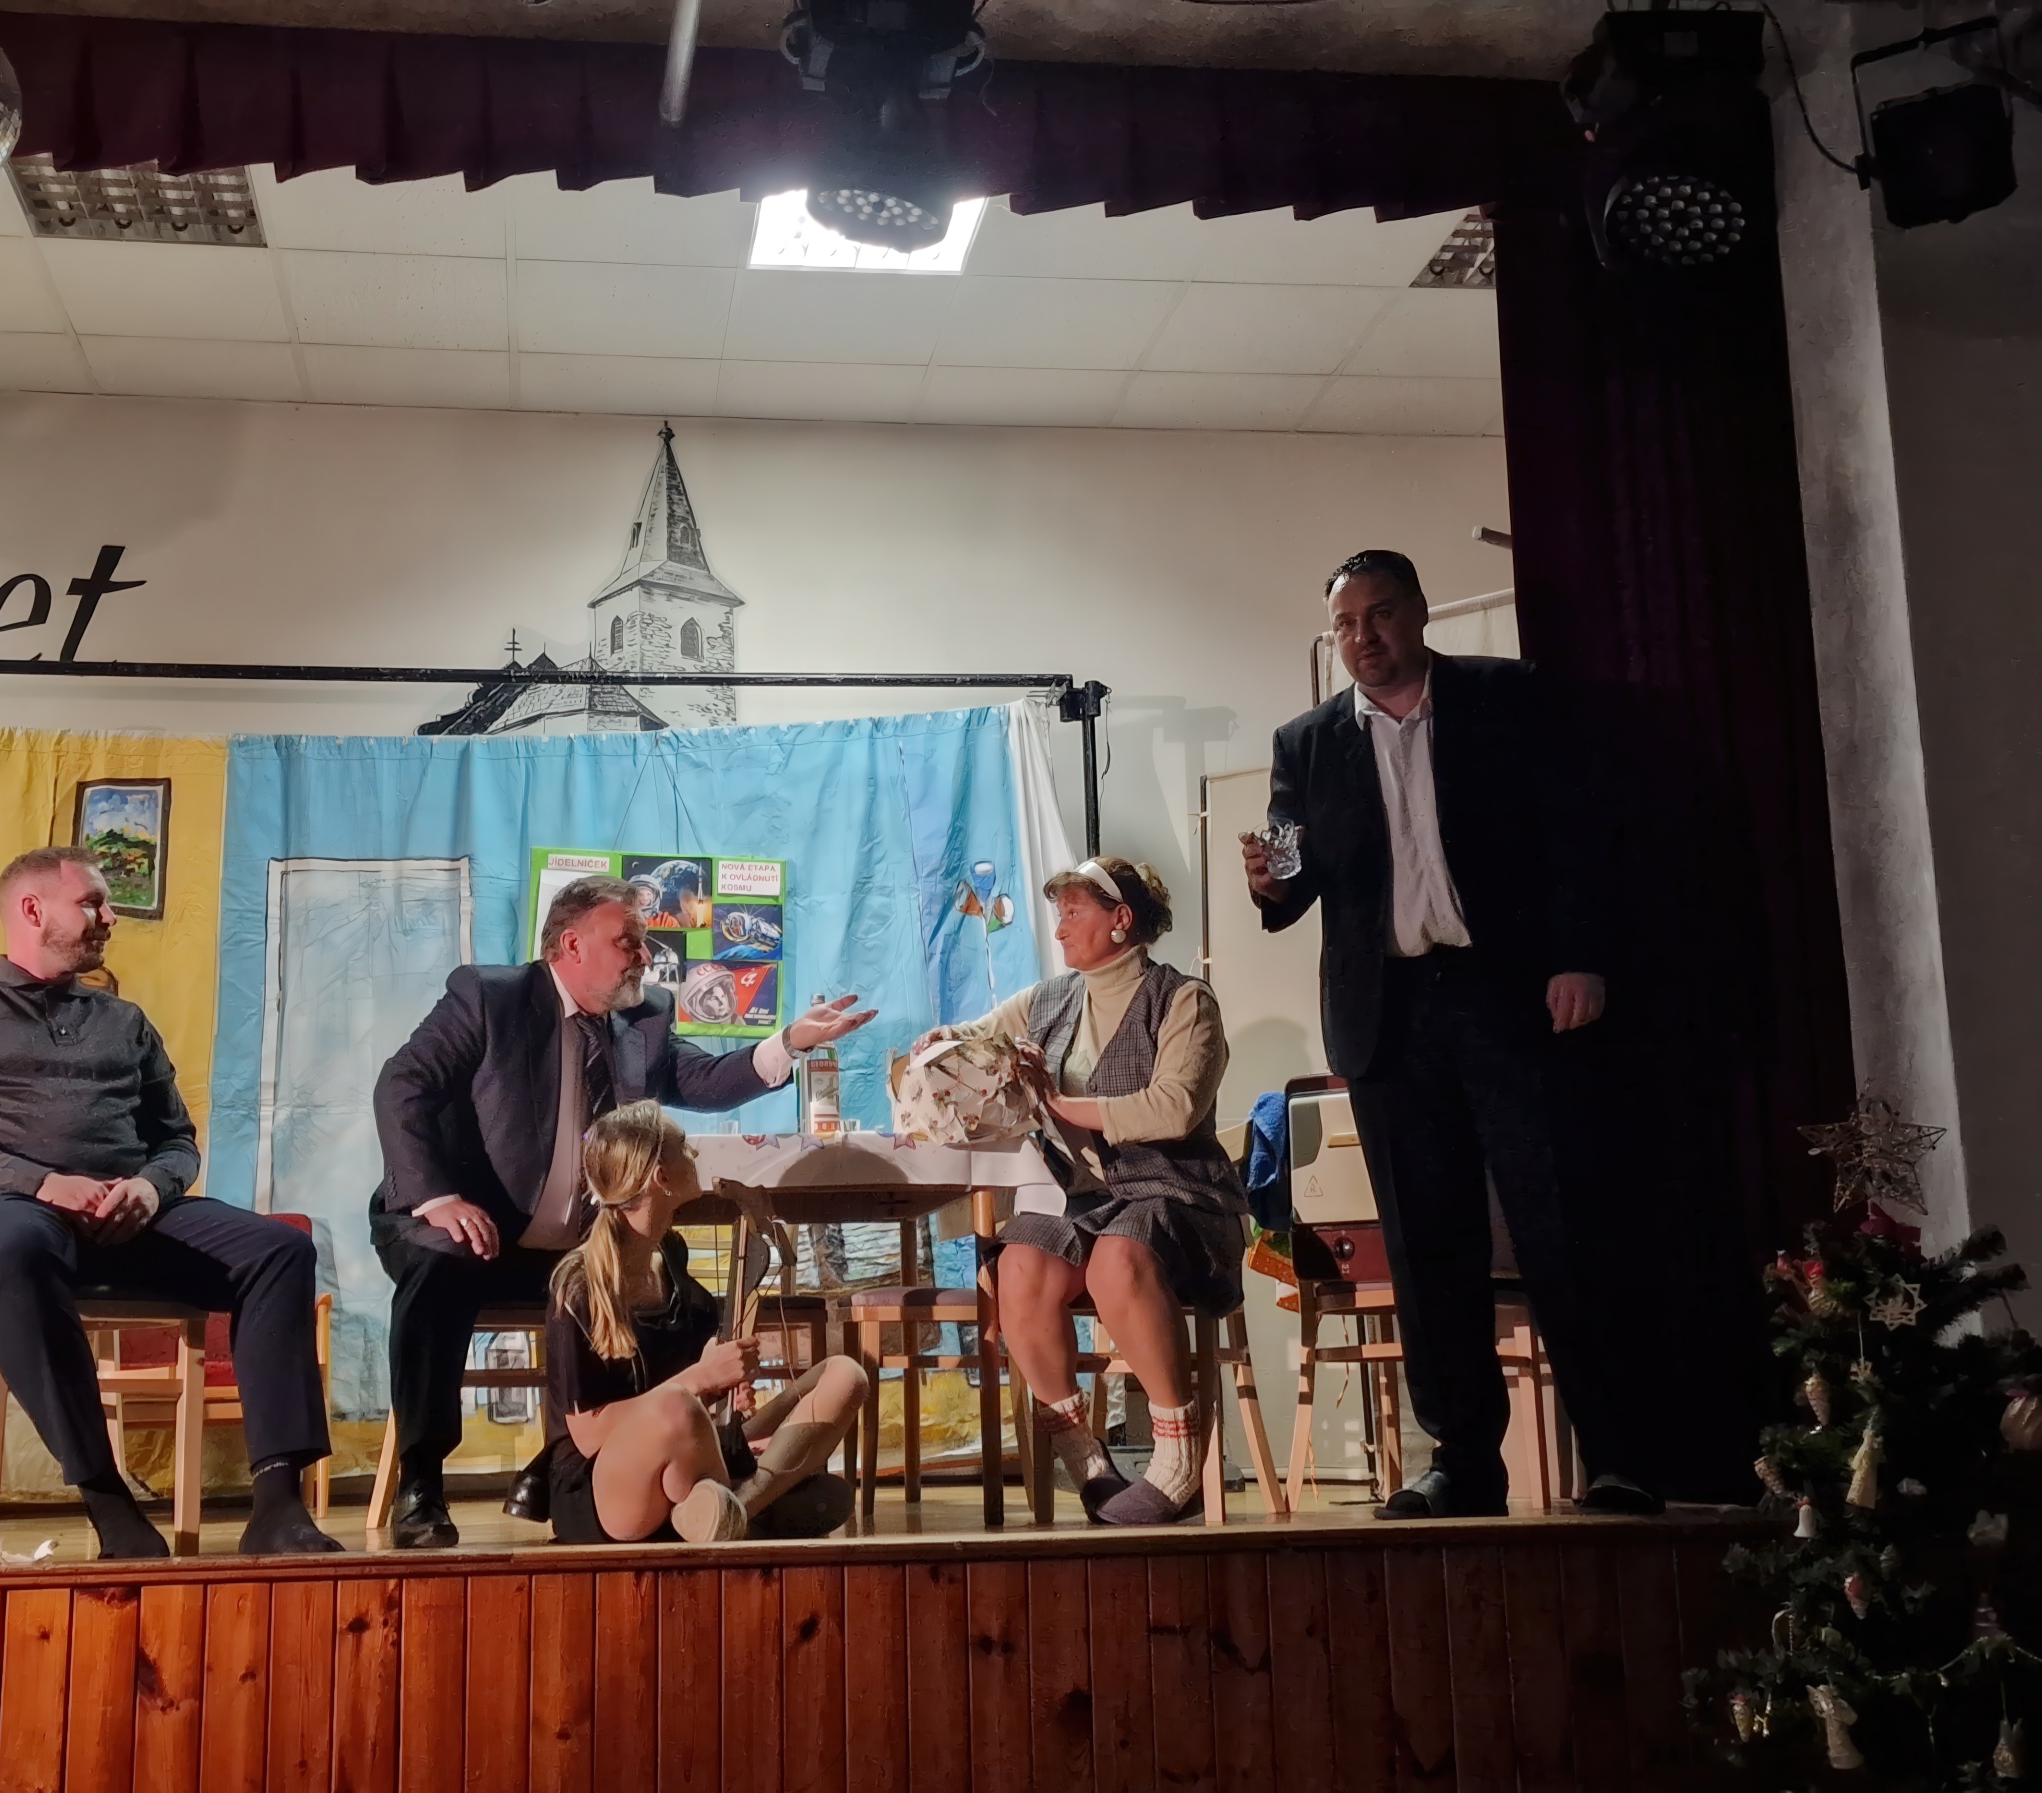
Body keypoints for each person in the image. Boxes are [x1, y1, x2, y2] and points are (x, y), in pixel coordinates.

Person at [1242, 548, 1672, 1519]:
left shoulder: (1507, 696)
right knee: (1426, 1244)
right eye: (1346, 624)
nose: (1363, 636)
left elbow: (1577, 834)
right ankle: (1463, 1459)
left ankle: (1618, 1454)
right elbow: (1293, 877)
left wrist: (1580, 955)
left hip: (1509, 995)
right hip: (1388, 1016)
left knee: (1562, 1225)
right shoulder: (1306, 742)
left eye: (1380, 614)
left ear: (1421, 612)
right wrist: (1268, 883)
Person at [369, 873, 880, 1548]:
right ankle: (421, 1483)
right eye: (628, 941)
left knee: (663, 1256)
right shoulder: (490, 997)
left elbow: (703, 1080)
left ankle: (648, 1462)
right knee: (441, 1266)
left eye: (643, 942)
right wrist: (438, 1198)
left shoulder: (644, 1019)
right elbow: (401, 1083)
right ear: (571, 944)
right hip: (479, 1229)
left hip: (577, 1246)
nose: (645, 956)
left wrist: (788, 1043)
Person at [0, 846, 341, 1559]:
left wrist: (150, 1186)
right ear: (33, 909)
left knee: (279, 1250)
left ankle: (278, 1506)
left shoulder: (123, 1021)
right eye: (93, 902)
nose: (109, 916)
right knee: (18, 1244)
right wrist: (40, 1182)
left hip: (126, 1217)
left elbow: (176, 1140)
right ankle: (111, 1506)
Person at [920, 856, 1251, 1525]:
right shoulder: (1049, 1000)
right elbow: (982, 1035)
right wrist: (946, 1043)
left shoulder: (1184, 1000)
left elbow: (1175, 1105)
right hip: (1085, 1201)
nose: (1061, 926)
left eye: (1075, 910)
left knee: (1117, 1260)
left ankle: (1178, 1456)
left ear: (1121, 919)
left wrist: (1063, 1105)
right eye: (1060, 911)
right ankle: (1087, 1460)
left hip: (1176, 1193)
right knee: (1018, 1267)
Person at [541, 1103, 871, 1544]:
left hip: (687, 1453)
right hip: (608, 1485)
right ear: (660, 1176)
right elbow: (588, 1436)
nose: (693, 1154)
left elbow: (695, 1391)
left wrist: (722, 1390)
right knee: (678, 1407)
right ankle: (741, 1504)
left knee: (845, 1376)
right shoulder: (579, 1285)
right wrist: (701, 1380)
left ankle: (730, 1508)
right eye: (683, 1147)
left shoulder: (671, 1257)